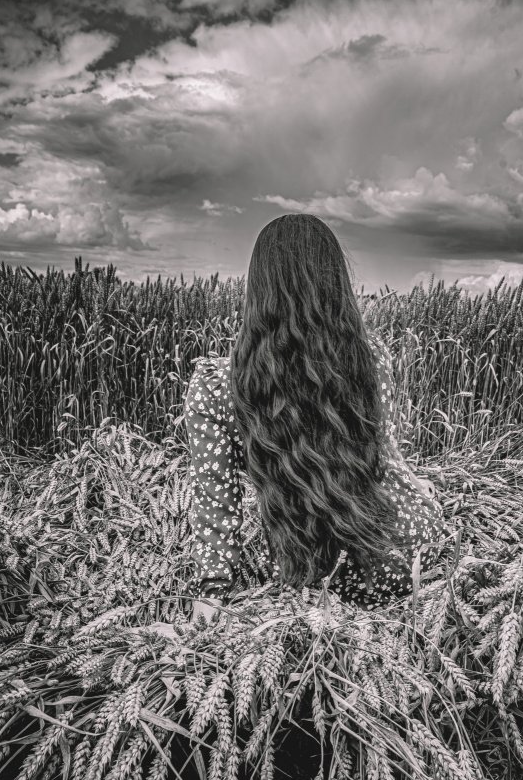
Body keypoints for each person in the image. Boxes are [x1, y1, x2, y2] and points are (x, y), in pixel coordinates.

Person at [184, 214, 448, 623]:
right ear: (336, 284)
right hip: (413, 552)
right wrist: (416, 487)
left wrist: (213, 590)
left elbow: (215, 502)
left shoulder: (217, 386)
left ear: (258, 289)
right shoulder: (370, 356)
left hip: (318, 575)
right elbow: (382, 451)